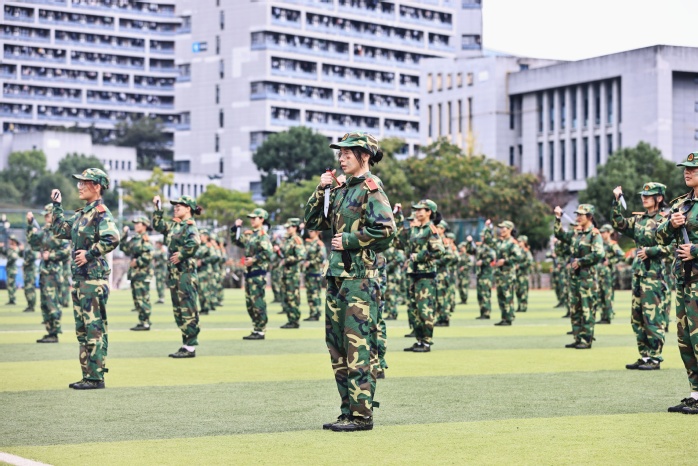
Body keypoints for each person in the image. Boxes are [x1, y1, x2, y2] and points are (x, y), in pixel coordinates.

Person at [304, 130, 396, 432]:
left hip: (359, 279)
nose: (341, 159)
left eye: (347, 154)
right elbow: (313, 222)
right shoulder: (342, 189)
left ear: (364, 156)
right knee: (337, 347)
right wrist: (321, 190)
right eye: (340, 154)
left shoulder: (371, 189)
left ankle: (362, 415)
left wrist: (350, 240)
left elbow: (386, 230)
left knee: (358, 347)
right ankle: (347, 411)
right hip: (337, 276)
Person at [51, 168, 120, 389]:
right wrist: (57, 206)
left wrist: (90, 254)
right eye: (79, 183)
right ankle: (88, 375)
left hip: (93, 280)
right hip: (81, 279)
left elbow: (113, 238)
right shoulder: (83, 214)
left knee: (94, 329)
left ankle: (96, 377)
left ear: (97, 186)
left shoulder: (100, 212)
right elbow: (60, 230)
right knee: (83, 330)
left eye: (84, 183)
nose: (80, 187)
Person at [611, 183, 671, 369]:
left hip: (654, 276)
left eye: (648, 195)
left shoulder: (666, 220)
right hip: (638, 274)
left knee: (653, 317)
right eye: (643, 195)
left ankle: (655, 357)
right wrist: (617, 200)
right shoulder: (639, 220)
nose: (644, 198)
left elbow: (673, 246)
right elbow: (618, 223)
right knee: (637, 318)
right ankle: (645, 356)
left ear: (659, 198)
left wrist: (651, 251)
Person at [657, 152, 698, 413]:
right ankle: (696, 393)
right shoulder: (680, 205)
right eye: (686, 168)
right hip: (684, 281)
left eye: (693, 169)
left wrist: (695, 250)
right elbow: (659, 237)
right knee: (686, 340)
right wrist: (671, 225)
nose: (687, 172)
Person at [152, 194, 202, 358]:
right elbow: (158, 226)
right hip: (175, 274)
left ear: (188, 208)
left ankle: (191, 346)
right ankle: (186, 344)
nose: (176, 207)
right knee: (179, 310)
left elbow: (195, 242)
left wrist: (181, 255)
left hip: (185, 273)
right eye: (175, 205)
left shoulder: (189, 226)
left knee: (188, 308)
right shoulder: (175, 225)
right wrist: (158, 208)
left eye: (179, 205)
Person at [554, 204, 604, 349]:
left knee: (587, 308)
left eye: (581, 215)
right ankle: (577, 338)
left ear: (590, 217)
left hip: (587, 278)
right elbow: (560, 235)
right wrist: (557, 218)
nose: (578, 217)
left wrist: (581, 262)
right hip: (574, 278)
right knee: (575, 309)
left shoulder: (594, 234)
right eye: (577, 214)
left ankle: (586, 339)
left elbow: (599, 254)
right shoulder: (576, 234)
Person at [404, 199, 445, 350]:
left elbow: (439, 251)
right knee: (413, 309)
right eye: (416, 209)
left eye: (421, 209)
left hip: (425, 275)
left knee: (424, 309)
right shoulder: (415, 230)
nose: (417, 212)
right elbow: (402, 244)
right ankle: (419, 340)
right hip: (413, 273)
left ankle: (426, 341)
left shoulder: (431, 230)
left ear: (429, 212)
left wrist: (419, 256)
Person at [27, 206, 70, 342]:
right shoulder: (44, 231)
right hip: (44, 272)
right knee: (44, 303)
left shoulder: (60, 231)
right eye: (45, 215)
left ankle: (55, 333)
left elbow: (67, 252)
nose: (46, 217)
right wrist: (30, 224)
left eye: (48, 215)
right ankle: (50, 331)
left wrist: (50, 256)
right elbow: (33, 243)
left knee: (52, 302)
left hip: (54, 273)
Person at [231, 207, 273, 340]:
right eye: (251, 218)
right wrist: (235, 228)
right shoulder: (251, 235)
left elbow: (268, 252)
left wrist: (253, 260)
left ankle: (261, 330)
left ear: (262, 219)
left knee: (258, 302)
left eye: (255, 218)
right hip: (249, 273)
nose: (252, 220)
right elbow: (237, 241)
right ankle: (256, 328)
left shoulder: (262, 235)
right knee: (250, 304)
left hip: (257, 273)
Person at [483, 220, 524, 326]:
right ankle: (504, 317)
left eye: (503, 228)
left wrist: (505, 261)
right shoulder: (500, 242)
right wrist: (487, 228)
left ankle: (509, 318)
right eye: (500, 228)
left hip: (508, 274)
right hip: (499, 274)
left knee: (507, 296)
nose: (501, 230)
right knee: (501, 296)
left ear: (509, 229)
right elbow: (488, 240)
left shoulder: (512, 243)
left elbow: (519, 257)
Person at [121, 216, 154, 331]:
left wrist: (137, 262)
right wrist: (124, 235)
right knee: (137, 299)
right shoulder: (135, 239)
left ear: (144, 225)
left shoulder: (145, 239)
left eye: (138, 223)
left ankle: (146, 322)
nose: (135, 225)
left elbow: (149, 255)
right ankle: (142, 321)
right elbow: (124, 249)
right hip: (135, 273)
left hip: (142, 273)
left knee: (142, 298)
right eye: (135, 224)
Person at [275, 218, 306, 329]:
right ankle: (290, 320)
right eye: (287, 227)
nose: (287, 229)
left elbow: (301, 256)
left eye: (289, 227)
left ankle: (294, 320)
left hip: (292, 274)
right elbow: (283, 255)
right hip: (285, 273)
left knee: (292, 297)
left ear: (295, 227)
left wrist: (287, 260)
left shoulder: (296, 239)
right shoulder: (287, 240)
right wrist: (278, 252)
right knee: (287, 297)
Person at [597, 224, 625, 324]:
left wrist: (610, 261)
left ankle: (608, 316)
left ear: (609, 233)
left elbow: (622, 256)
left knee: (607, 295)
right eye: (601, 232)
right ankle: (603, 316)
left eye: (604, 232)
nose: (602, 234)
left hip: (607, 274)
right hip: (599, 274)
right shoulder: (600, 244)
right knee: (600, 295)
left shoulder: (612, 245)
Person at [466, 236, 496, 319]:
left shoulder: (490, 246)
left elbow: (492, 257)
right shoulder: (480, 247)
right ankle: (483, 312)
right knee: (480, 294)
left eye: (483, 236)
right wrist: (469, 242)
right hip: (480, 274)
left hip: (486, 274)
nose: (481, 237)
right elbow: (470, 251)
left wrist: (483, 261)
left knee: (485, 293)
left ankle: (486, 313)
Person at [434, 221, 457, 327]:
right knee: (437, 297)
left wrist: (436, 261)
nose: (436, 229)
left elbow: (450, 256)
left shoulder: (444, 240)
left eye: (438, 227)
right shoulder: (435, 239)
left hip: (442, 274)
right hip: (436, 273)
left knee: (442, 297)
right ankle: (440, 318)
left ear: (443, 229)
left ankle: (444, 319)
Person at [303, 229, 327, 321]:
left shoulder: (319, 244)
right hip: (308, 271)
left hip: (315, 271)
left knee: (315, 293)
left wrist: (310, 262)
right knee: (309, 293)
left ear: (317, 232)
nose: (310, 233)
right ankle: (312, 312)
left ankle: (316, 313)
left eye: (312, 231)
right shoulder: (309, 243)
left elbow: (322, 258)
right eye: (309, 231)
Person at [515, 235, 533, 313]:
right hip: (517, 274)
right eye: (518, 241)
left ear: (524, 242)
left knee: (523, 291)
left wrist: (520, 266)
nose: (519, 243)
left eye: (520, 241)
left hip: (523, 274)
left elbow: (529, 261)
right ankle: (519, 306)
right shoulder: (517, 250)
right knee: (517, 291)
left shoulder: (526, 251)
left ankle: (523, 307)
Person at [0, 235, 20, 305]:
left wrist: (8, 264)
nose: (9, 241)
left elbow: (14, 258)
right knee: (9, 284)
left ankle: (13, 299)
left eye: (11, 240)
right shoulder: (10, 249)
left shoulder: (15, 249)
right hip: (10, 269)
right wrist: (1, 247)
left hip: (12, 269)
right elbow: (4, 253)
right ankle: (11, 299)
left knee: (11, 284)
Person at [20, 238, 39, 313]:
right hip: (27, 272)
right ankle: (30, 305)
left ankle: (31, 306)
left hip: (30, 272)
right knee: (27, 289)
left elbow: (34, 256)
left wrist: (25, 263)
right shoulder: (28, 247)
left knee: (30, 289)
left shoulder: (33, 248)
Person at [152, 240, 168, 304]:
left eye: (158, 243)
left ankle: (162, 297)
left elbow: (165, 260)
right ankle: (160, 297)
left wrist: (157, 263)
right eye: (157, 243)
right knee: (158, 284)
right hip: (157, 270)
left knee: (160, 284)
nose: (157, 245)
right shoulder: (156, 250)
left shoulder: (162, 251)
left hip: (161, 270)